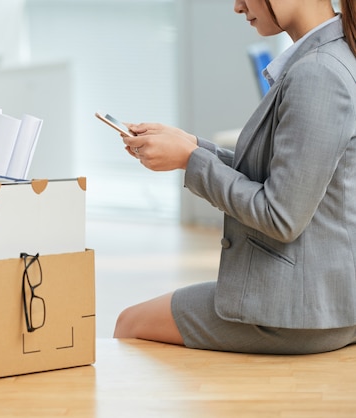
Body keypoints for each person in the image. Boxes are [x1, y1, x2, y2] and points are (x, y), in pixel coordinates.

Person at [113, 0, 356, 355]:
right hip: (322, 300)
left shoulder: (318, 73)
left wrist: (191, 160)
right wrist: (192, 147)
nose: (238, 6)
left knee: (129, 323)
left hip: (300, 312)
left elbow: (281, 216)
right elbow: (287, 176)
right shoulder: (330, 55)